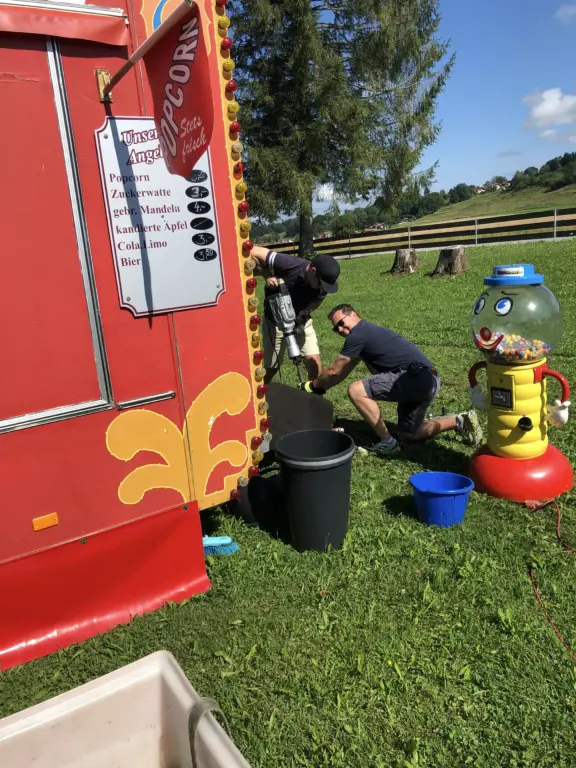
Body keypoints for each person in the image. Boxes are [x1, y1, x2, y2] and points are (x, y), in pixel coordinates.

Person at [304, 304, 482, 456]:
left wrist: (313, 386)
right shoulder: (366, 334)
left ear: (354, 314)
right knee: (409, 434)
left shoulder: (359, 333)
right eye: (336, 329)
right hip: (427, 380)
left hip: (416, 378)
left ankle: (387, 443)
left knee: (356, 390)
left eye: (341, 323)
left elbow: (334, 370)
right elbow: (341, 372)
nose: (341, 330)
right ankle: (459, 421)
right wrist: (322, 388)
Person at [251, 245, 340, 383]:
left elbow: (315, 302)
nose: (323, 289)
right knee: (272, 368)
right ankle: (259, 396)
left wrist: (304, 315)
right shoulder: (288, 264)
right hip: (275, 321)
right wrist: (267, 275)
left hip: (300, 320)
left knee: (314, 365)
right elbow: (253, 251)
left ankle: (312, 399)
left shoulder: (323, 284)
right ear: (312, 270)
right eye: (321, 284)